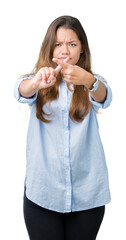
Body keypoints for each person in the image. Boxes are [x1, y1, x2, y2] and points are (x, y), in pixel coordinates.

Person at [14, 15, 112, 240]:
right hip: (43, 194)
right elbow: (21, 90)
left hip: (88, 196)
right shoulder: (38, 81)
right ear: (49, 49)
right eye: (58, 44)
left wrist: (88, 80)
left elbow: (105, 96)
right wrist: (36, 82)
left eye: (72, 44)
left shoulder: (91, 83)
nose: (64, 50)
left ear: (82, 50)